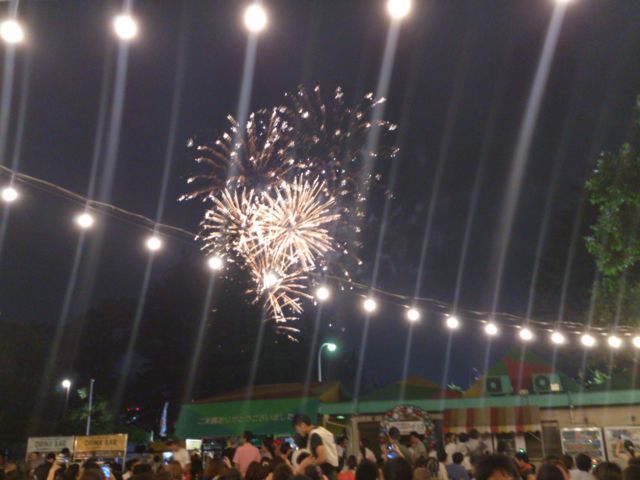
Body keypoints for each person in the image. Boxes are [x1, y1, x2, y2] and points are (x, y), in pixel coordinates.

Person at [292, 414, 340, 479]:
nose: (298, 432)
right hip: (333, 472)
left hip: (326, 474)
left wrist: (308, 464)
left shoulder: (314, 435)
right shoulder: (322, 430)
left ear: (303, 425)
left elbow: (322, 457)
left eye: (297, 429)